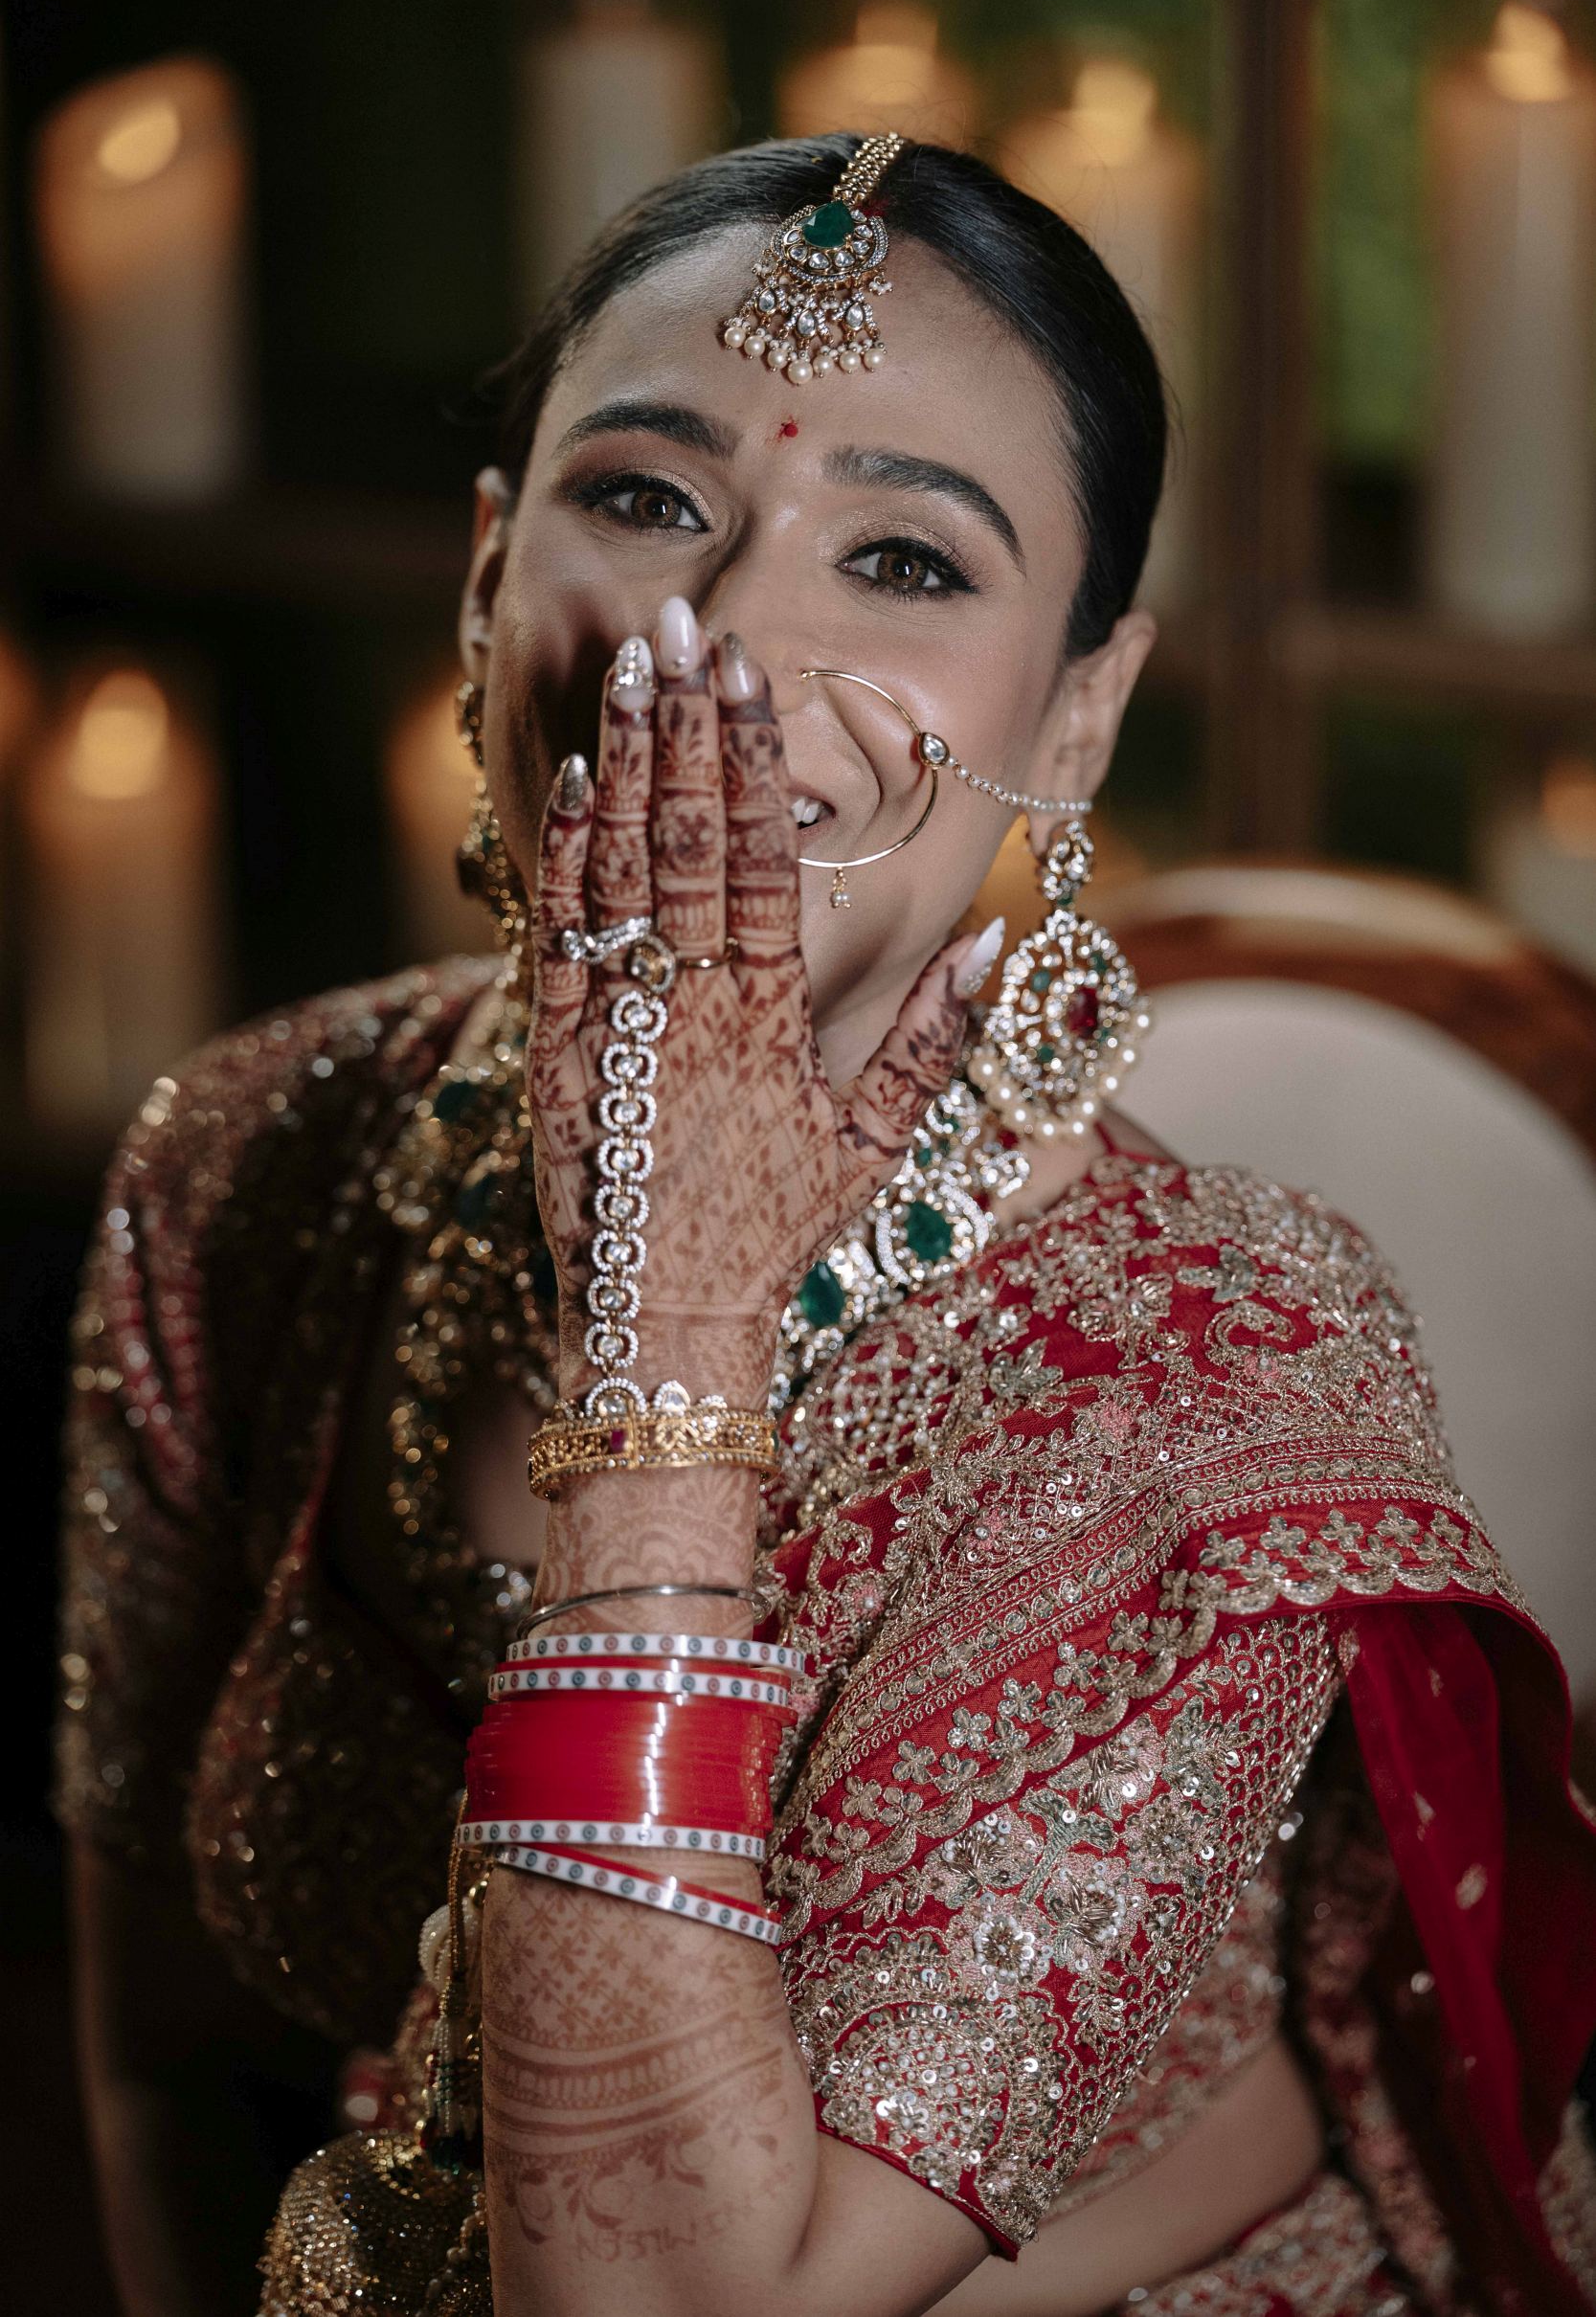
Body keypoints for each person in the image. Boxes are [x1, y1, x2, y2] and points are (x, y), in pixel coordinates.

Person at [59, 133, 1595, 2317]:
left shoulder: (1205, 1367)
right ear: (490, 573)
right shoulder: (252, 1152)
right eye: (651, 500)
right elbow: (165, 2057)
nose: (730, 636)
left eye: (903, 555)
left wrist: (667, 1321)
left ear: (1076, 714)